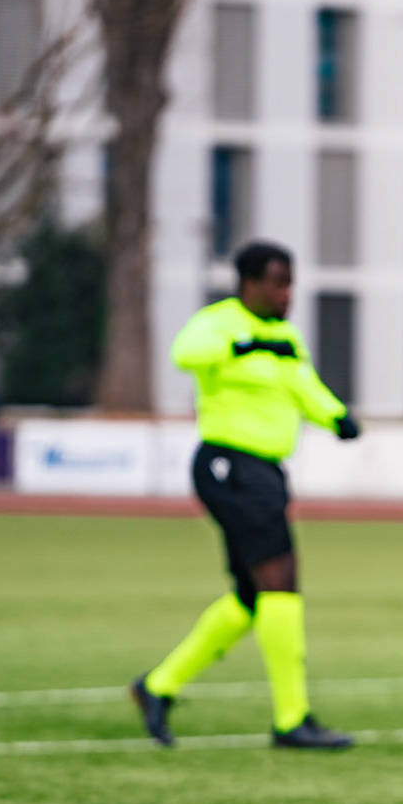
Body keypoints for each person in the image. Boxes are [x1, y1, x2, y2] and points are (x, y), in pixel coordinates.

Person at [130, 241, 359, 748]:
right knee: (280, 580)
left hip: (264, 472)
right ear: (249, 283)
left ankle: (157, 686)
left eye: (290, 283)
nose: (286, 294)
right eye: (277, 283)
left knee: (252, 597)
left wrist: (335, 416)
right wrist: (244, 345)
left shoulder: (285, 335)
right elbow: (184, 354)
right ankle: (291, 719)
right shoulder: (219, 322)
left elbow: (302, 386)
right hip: (229, 464)